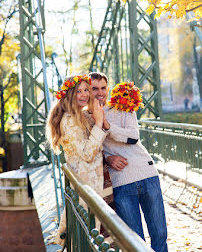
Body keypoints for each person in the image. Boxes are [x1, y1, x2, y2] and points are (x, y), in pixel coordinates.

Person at [89, 72, 168, 252]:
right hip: (121, 182)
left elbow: (133, 137)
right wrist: (108, 158)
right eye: (94, 88)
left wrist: (107, 125)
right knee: (135, 241)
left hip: (147, 174)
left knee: (160, 235)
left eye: (103, 88)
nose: (100, 93)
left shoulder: (123, 105)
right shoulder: (85, 118)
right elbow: (89, 152)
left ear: (108, 89)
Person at [46, 74, 107, 247]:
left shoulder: (79, 115)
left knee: (90, 237)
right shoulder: (69, 120)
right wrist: (99, 122)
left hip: (88, 182)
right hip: (86, 184)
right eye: (78, 91)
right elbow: (88, 154)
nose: (84, 94)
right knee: (88, 238)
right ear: (70, 94)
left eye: (87, 90)